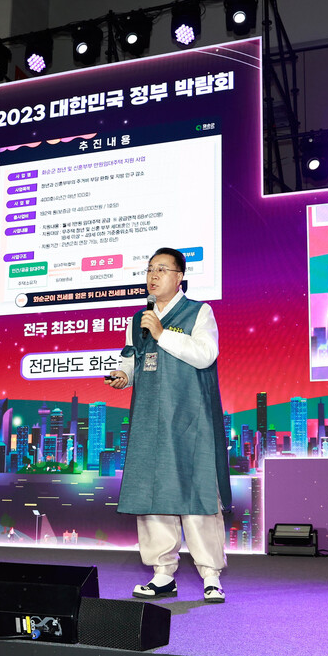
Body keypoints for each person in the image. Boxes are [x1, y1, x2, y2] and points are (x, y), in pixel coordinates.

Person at [105, 248, 231, 604]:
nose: (153, 275)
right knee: (152, 495)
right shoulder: (139, 319)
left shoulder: (199, 312)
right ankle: (163, 573)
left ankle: (210, 575)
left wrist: (162, 333)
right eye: (149, 269)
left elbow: (206, 354)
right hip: (149, 419)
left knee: (197, 494)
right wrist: (123, 375)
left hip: (190, 418)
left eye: (162, 269)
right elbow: (131, 358)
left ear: (179, 277)